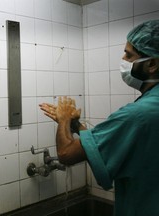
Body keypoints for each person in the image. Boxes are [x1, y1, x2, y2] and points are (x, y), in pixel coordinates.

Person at [39, 20, 159, 216]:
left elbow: (66, 154)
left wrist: (63, 119)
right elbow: (108, 145)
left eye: (129, 54)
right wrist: (75, 124)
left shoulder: (137, 114)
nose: (123, 58)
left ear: (152, 63)